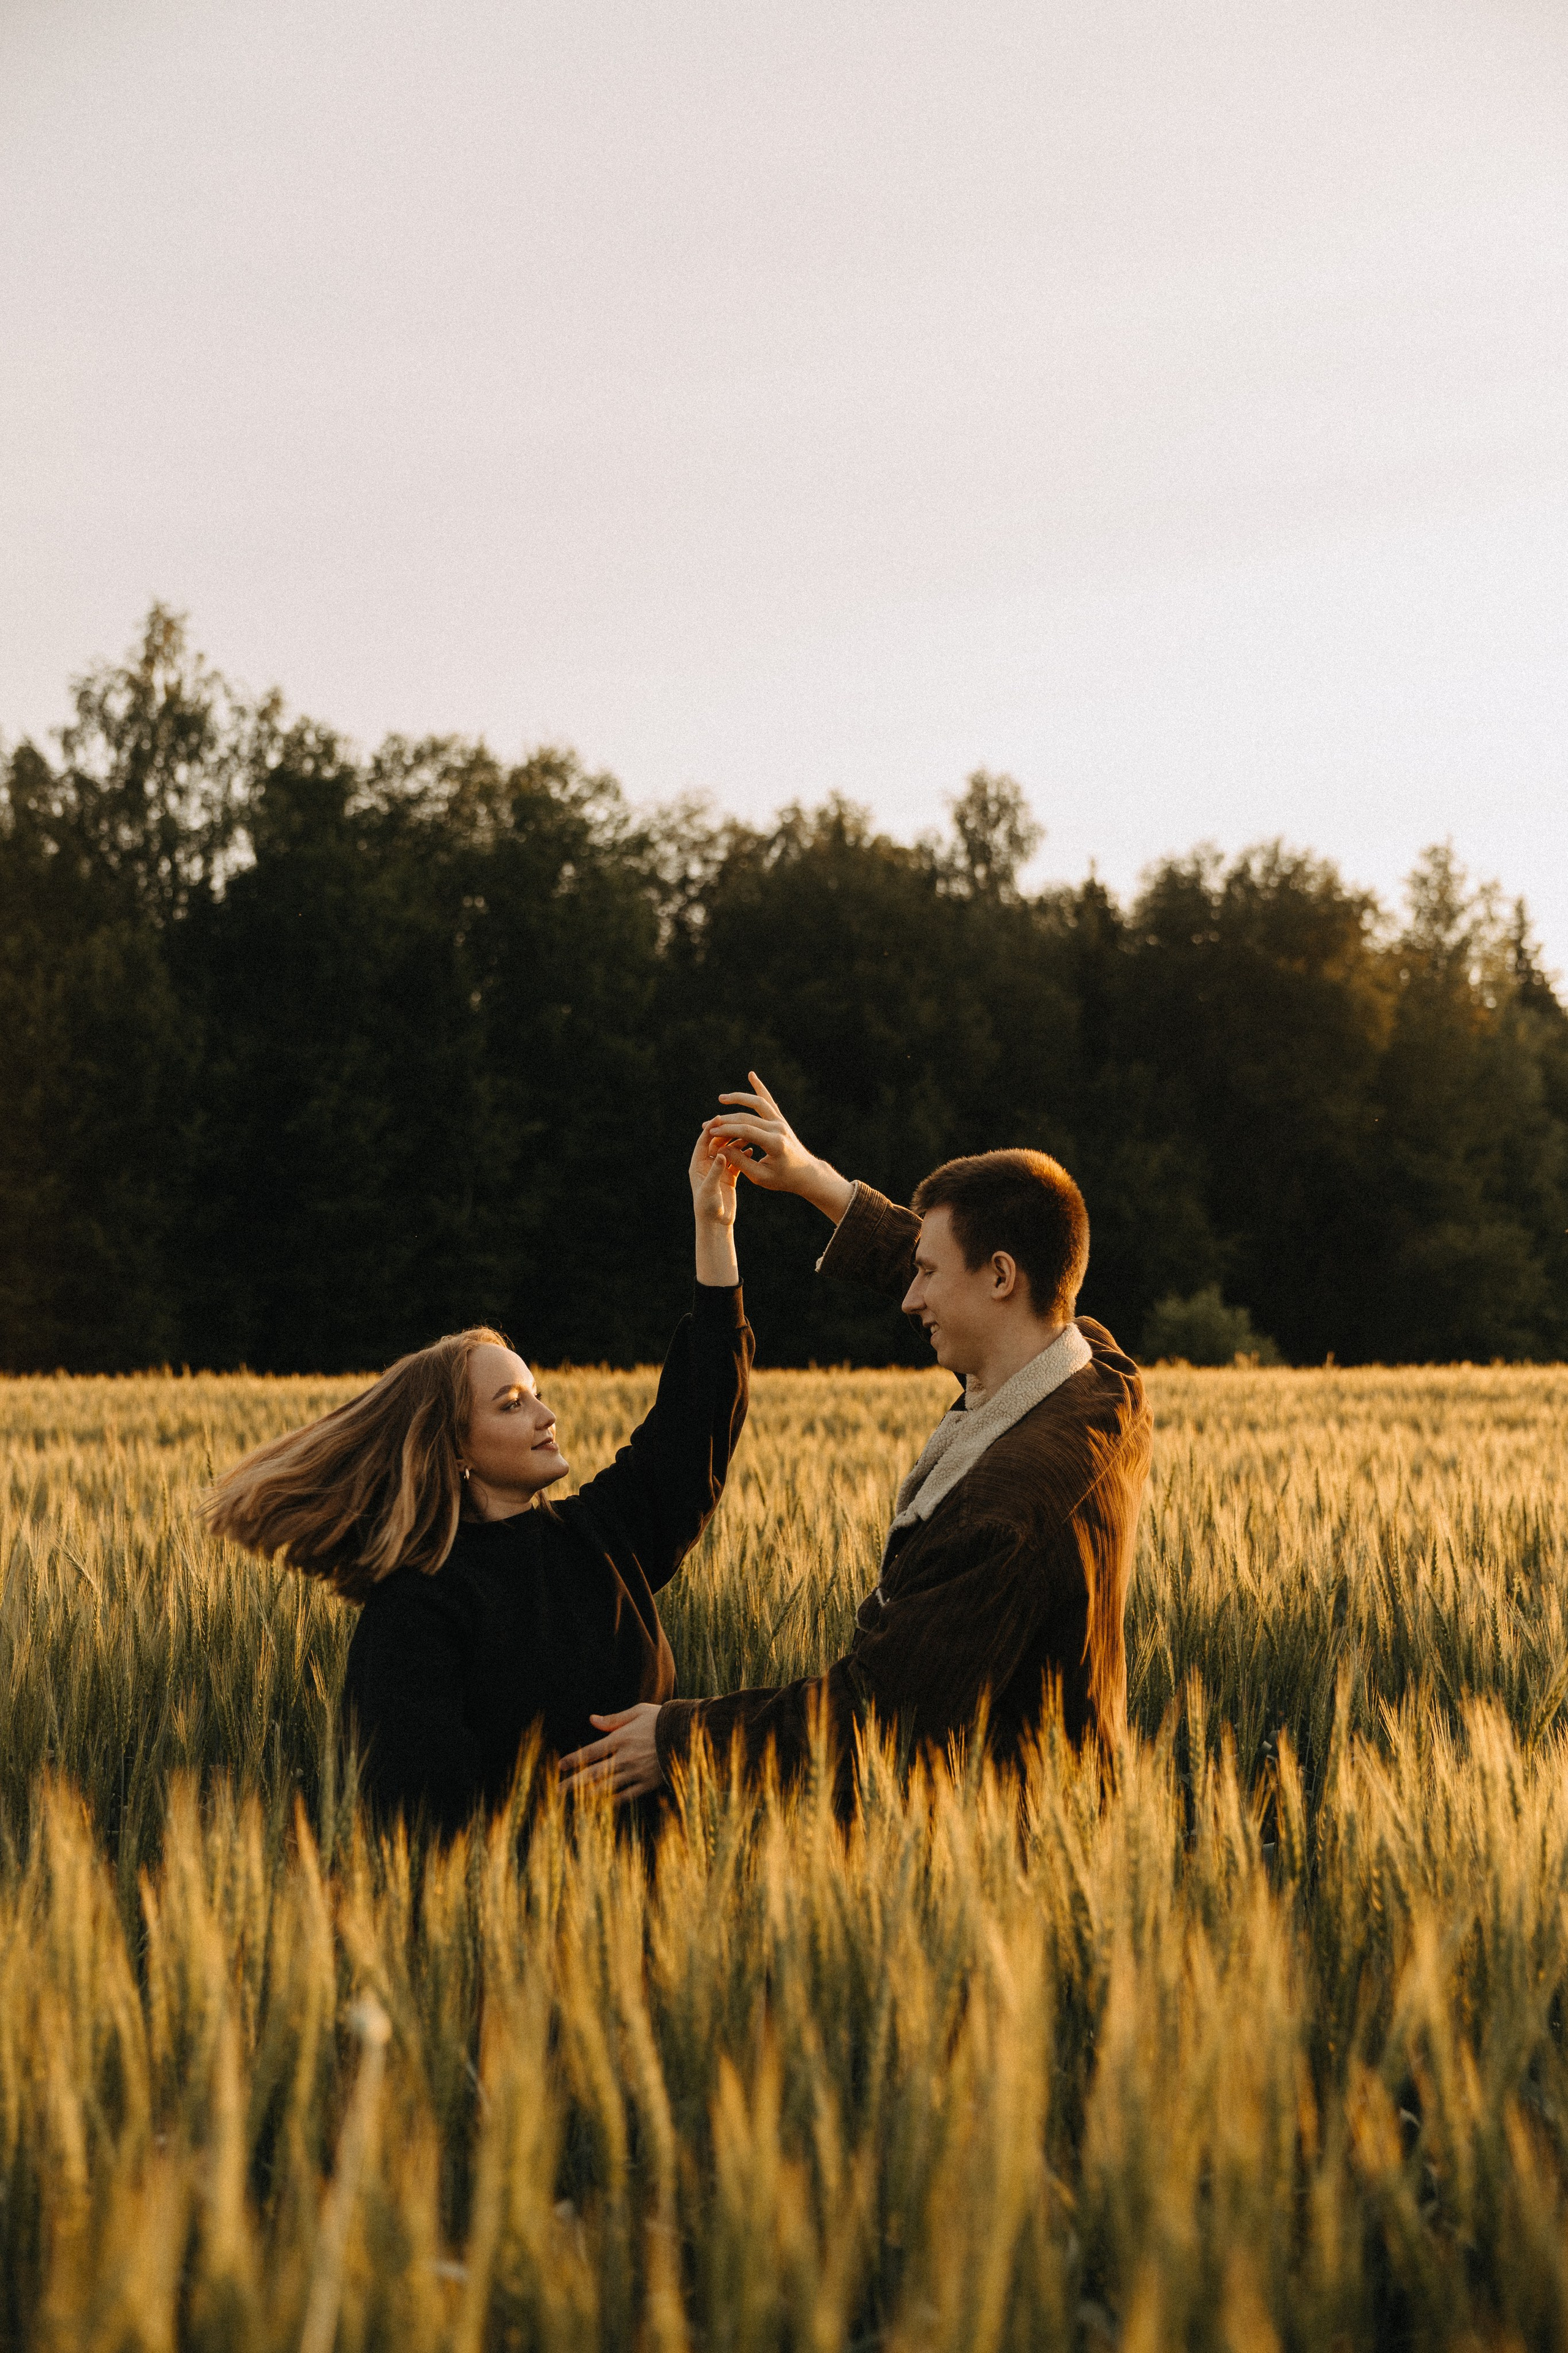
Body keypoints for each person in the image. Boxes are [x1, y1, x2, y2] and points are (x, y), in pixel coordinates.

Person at [561, 1075, 1151, 1807]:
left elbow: (880, 1714)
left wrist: (679, 1739)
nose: (909, 1296)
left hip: (1004, 1859)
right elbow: (991, 1265)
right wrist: (815, 1181)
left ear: (1001, 1276)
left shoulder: (1005, 1508)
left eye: (928, 1274)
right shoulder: (1100, 1379)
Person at [206, 1132, 751, 1836]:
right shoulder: (416, 1611)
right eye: (511, 1403)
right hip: (514, 1927)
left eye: (536, 1392)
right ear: (454, 1448)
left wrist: (714, 1227)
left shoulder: (600, 1537)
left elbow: (698, 1420)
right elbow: (425, 1826)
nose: (546, 1415)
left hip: (656, 1921)